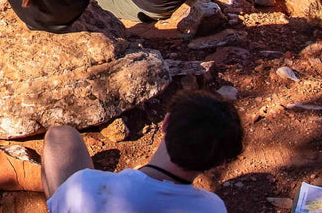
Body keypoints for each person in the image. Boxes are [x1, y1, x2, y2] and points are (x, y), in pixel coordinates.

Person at [43, 90, 244, 212]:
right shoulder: (213, 207)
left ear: (166, 122)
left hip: (88, 194)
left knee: (61, 135)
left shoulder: (85, 185)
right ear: (218, 162)